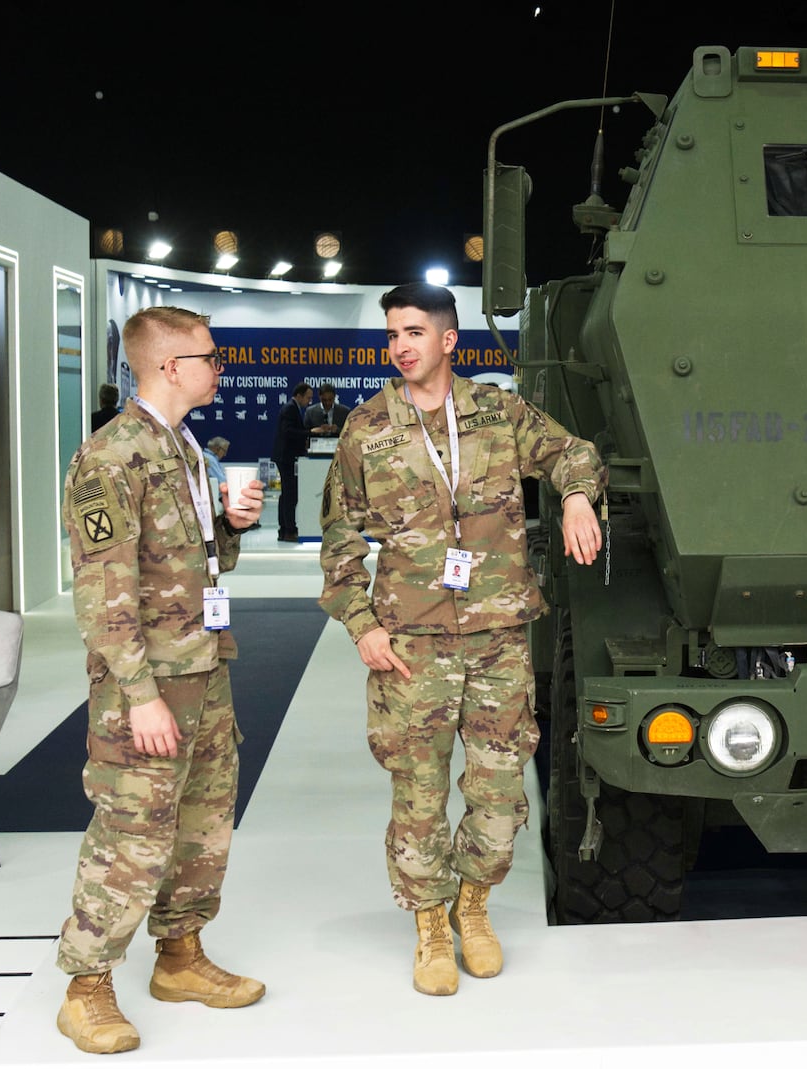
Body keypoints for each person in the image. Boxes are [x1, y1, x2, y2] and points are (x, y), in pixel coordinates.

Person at [318, 282, 603, 996]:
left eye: (413, 331)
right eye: (392, 334)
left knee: (500, 793)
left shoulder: (498, 412)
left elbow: (575, 453)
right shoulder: (367, 428)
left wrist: (573, 495)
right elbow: (338, 536)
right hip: (409, 642)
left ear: (449, 340)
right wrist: (362, 624)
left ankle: (473, 907)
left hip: (499, 638)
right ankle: (428, 923)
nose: (400, 346)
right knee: (417, 794)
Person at [55, 306, 267, 1055]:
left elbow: (201, 560)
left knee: (203, 828)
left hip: (204, 670)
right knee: (132, 834)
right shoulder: (109, 459)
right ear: (169, 366)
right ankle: (86, 989)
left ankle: (179, 958)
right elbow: (103, 593)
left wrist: (231, 524)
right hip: (146, 684)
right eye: (211, 356)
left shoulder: (184, 448)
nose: (220, 368)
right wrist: (139, 694)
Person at [272, 382, 311, 541]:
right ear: (299, 395)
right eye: (308, 398)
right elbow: (288, 431)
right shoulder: (290, 408)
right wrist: (309, 432)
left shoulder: (292, 408)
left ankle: (284, 529)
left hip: (285, 456)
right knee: (290, 495)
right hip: (286, 457)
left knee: (287, 494)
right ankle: (289, 529)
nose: (309, 401)